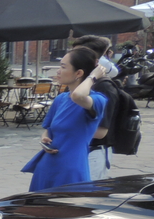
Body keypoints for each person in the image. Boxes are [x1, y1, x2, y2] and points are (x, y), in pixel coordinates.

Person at [23, 46, 107, 192]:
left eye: (63, 66)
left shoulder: (97, 100)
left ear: (79, 73)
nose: (58, 71)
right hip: (47, 165)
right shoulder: (61, 99)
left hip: (71, 169)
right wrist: (45, 139)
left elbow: (78, 96)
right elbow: (48, 129)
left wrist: (93, 76)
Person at [70, 35, 117, 180]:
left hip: (93, 153)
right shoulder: (78, 84)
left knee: (82, 197)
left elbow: (100, 132)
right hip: (75, 150)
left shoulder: (104, 87)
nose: (73, 58)